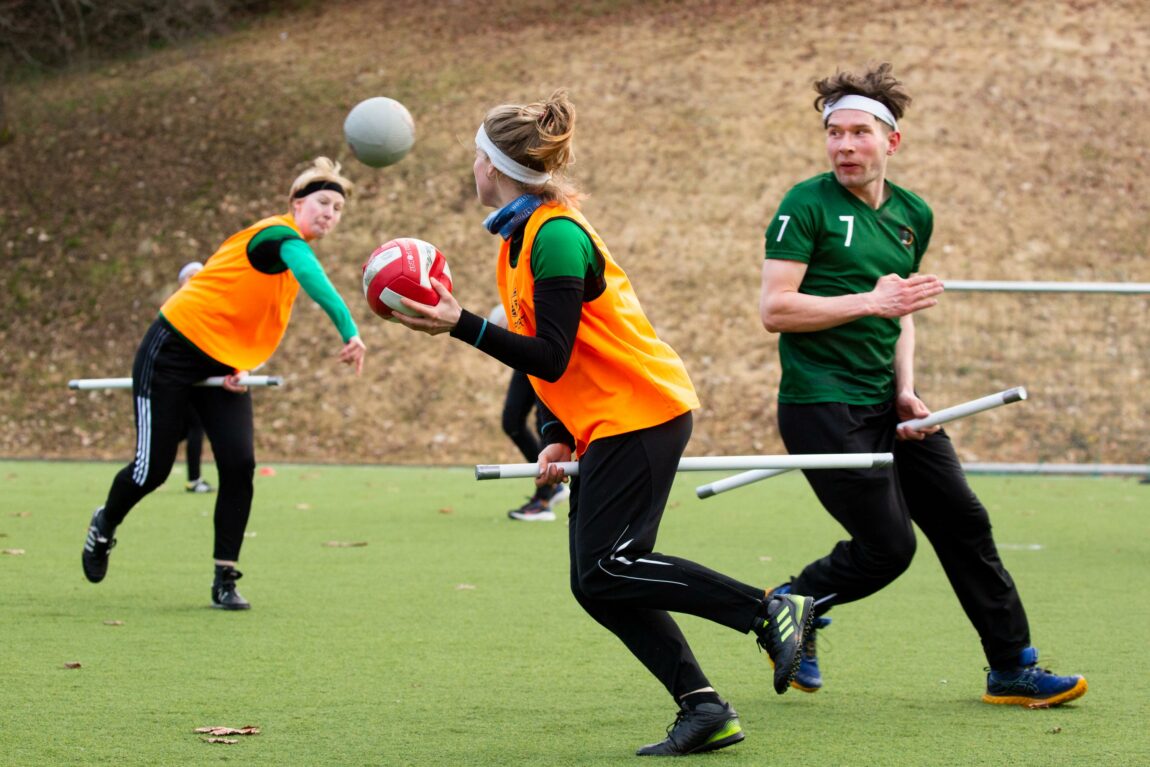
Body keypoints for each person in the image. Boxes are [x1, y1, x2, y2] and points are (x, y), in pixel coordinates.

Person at [392, 89, 815, 756]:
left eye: (475, 157)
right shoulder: (519, 238)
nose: (470, 169)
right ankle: (704, 707)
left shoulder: (555, 235)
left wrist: (461, 325)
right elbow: (562, 362)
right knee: (596, 581)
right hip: (609, 419)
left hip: (643, 411)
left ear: (495, 164)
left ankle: (768, 608)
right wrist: (559, 429)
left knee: (612, 566)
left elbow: (551, 352)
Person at [758, 63, 1086, 708]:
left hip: (888, 402)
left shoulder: (913, 215)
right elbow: (777, 309)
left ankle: (1012, 667)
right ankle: (788, 603)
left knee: (965, 521)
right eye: (834, 133)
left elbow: (900, 310)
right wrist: (868, 302)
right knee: (888, 548)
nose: (844, 146)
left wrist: (908, 389)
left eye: (858, 133)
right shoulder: (805, 204)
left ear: (891, 142)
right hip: (821, 403)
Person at [82, 157, 367, 610]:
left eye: (338, 208)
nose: (330, 213)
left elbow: (249, 314)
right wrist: (349, 330)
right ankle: (104, 525)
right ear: (296, 203)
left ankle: (224, 577)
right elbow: (315, 280)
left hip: (222, 364)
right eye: (322, 202)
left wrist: (243, 364)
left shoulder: (290, 254)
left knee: (239, 465)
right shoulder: (278, 236)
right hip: (172, 351)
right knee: (151, 470)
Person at [487, 303, 570, 521]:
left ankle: (544, 498)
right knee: (511, 422)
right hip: (524, 357)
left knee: (544, 424)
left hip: (544, 352)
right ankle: (554, 490)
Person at [176, 261, 213, 494]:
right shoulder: (178, 306)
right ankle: (194, 479)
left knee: (185, 429)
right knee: (196, 426)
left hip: (199, 377)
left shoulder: (207, 305)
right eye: (190, 276)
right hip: (181, 376)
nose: (195, 279)